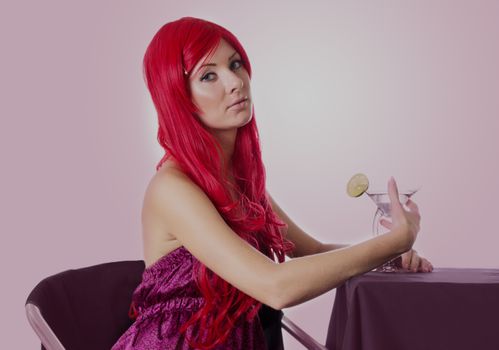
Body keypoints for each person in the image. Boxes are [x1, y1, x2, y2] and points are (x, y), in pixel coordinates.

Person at [111, 16, 433, 350]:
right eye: (209, 75)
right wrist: (395, 240)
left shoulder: (239, 182)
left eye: (236, 64)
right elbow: (276, 287)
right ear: (178, 97)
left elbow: (314, 252)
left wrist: (388, 258)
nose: (235, 81)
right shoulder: (173, 189)